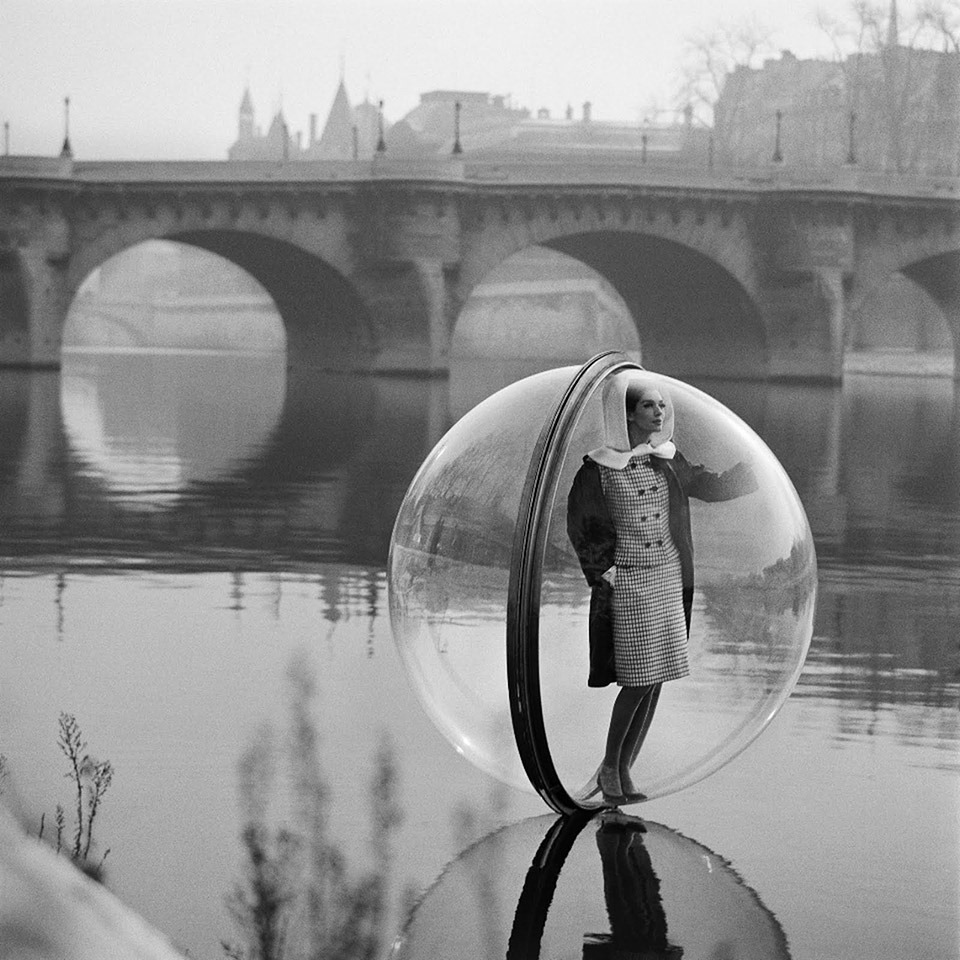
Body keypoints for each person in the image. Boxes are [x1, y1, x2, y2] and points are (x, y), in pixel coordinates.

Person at [566, 370, 756, 805]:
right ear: (627, 414)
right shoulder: (597, 471)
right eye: (648, 405)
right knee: (636, 679)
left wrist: (749, 474)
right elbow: (582, 525)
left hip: (668, 577)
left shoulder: (666, 458)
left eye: (661, 405)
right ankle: (610, 764)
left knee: (657, 679)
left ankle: (624, 769)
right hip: (629, 581)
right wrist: (603, 572)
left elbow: (706, 485)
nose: (659, 412)